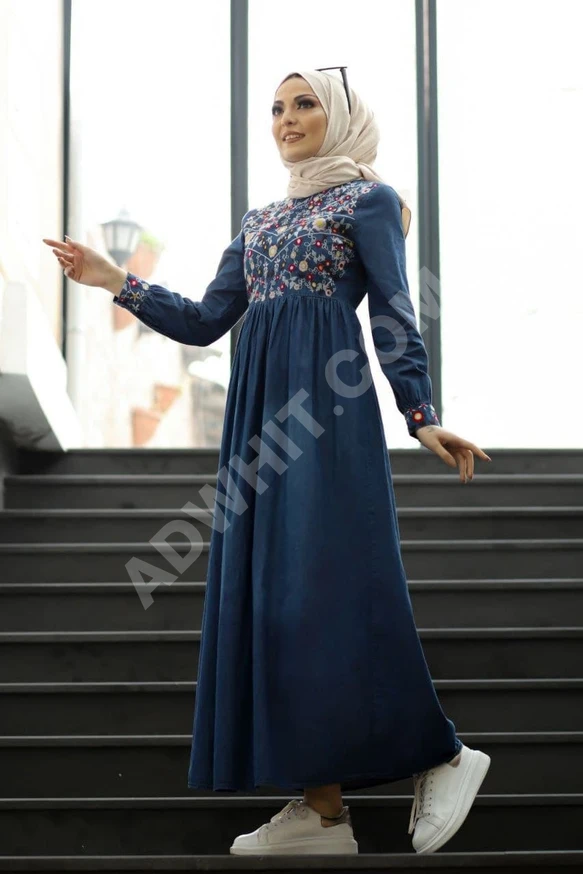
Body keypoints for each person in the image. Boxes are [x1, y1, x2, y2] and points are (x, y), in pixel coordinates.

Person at [43, 67, 492, 857]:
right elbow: (205, 320)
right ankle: (322, 810)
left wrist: (419, 413)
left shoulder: (369, 201)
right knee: (277, 603)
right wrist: (115, 280)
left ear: (340, 116)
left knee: (321, 590)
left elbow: (393, 309)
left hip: (324, 413)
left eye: (304, 103)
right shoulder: (257, 222)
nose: (285, 118)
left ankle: (445, 754)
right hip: (256, 419)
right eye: (277, 107)